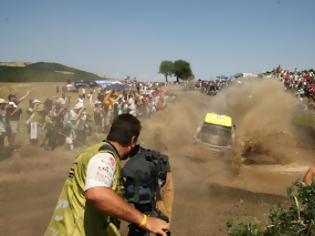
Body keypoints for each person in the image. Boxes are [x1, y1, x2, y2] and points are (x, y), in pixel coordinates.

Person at [44, 114, 170, 236]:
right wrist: (144, 220)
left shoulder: (92, 152)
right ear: (132, 140)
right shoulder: (105, 157)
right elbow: (97, 194)